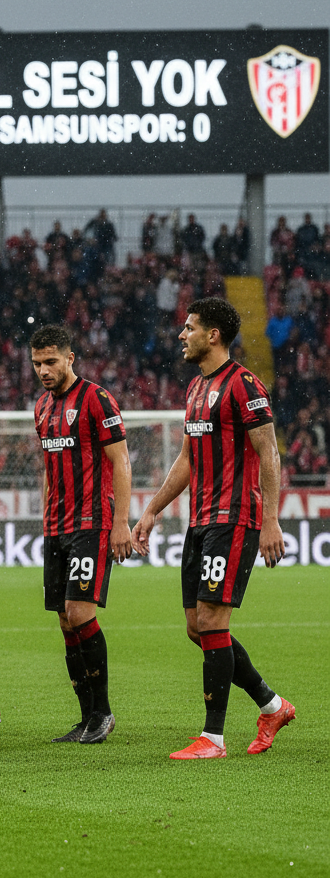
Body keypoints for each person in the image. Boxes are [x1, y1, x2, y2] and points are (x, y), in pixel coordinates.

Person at [131, 297, 295, 759]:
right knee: (195, 627)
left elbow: (269, 454)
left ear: (213, 335)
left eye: (189, 327)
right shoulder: (195, 389)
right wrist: (152, 510)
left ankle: (213, 738)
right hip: (200, 520)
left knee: (212, 621)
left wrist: (270, 522)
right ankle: (273, 705)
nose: (182, 335)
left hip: (235, 518)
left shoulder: (245, 385)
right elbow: (185, 459)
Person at [30, 325, 132, 744]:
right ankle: (87, 715)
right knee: (63, 620)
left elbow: (120, 461)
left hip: (92, 521)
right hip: (57, 526)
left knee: (80, 613)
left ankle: (103, 713)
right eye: (37, 363)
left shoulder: (96, 398)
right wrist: (44, 513)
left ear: (70, 358)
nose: (44, 370)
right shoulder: (41, 407)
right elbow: (47, 468)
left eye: (51, 361)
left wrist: (121, 522)